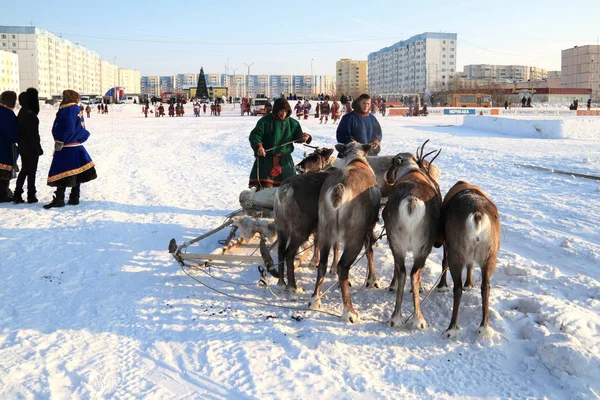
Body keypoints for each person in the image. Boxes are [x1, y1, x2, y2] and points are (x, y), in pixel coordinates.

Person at [43, 90, 97, 209]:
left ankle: (59, 198)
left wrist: (60, 140)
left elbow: (67, 128)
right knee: (76, 172)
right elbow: (81, 129)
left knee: (61, 172)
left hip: (66, 146)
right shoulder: (76, 109)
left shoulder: (67, 110)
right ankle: (74, 197)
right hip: (76, 145)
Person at [248, 98, 311, 190]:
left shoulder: (293, 123)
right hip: (266, 160)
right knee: (263, 190)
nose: (283, 114)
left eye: (285, 111)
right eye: (281, 111)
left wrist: (304, 137)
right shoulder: (265, 121)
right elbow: (255, 135)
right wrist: (259, 147)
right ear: (276, 110)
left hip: (285, 161)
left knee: (288, 189)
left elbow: (299, 137)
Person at [14, 89, 43, 204]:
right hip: (31, 147)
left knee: (25, 170)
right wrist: (38, 147)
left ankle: (18, 194)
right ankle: (31, 195)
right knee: (31, 171)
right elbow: (33, 134)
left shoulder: (21, 112)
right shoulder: (30, 115)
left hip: (22, 146)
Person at [0, 91, 19, 202]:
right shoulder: (7, 114)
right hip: (4, 147)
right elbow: (13, 132)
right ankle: (2, 193)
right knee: (3, 172)